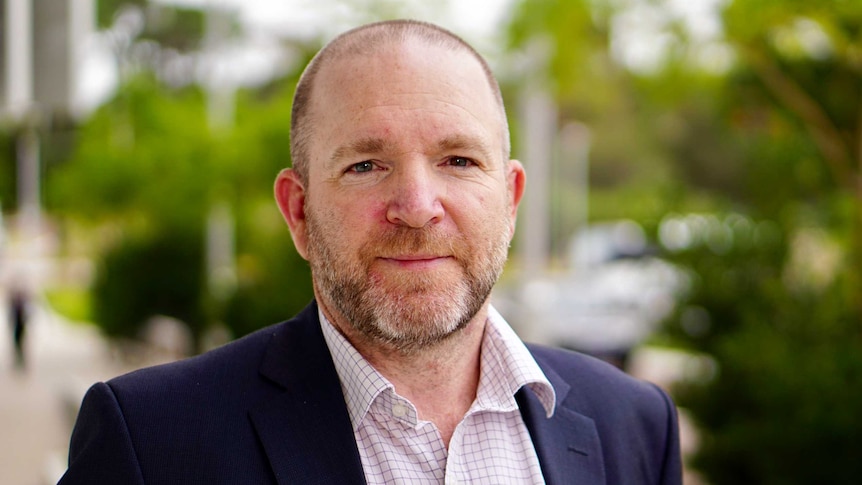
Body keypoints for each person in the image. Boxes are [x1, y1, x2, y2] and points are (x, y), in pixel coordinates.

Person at [59, 20, 681, 484]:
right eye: (365, 165)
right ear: (298, 211)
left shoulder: (634, 426)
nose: (416, 205)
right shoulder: (149, 440)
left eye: (458, 160)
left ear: (511, 199)